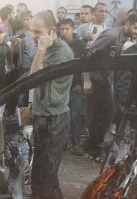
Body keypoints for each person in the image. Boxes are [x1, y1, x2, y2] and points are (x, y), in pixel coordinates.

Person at [82, 14, 137, 160]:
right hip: (95, 77)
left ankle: (91, 146)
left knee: (107, 112)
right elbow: (87, 55)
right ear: (128, 24)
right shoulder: (111, 35)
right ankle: (93, 146)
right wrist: (86, 80)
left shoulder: (127, 38)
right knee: (105, 112)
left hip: (107, 79)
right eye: (136, 28)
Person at [28, 11, 74, 199]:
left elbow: (36, 76)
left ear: (52, 32)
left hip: (54, 118)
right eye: (32, 32)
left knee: (48, 172)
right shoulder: (45, 50)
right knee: (38, 170)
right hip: (42, 115)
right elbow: (31, 75)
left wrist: (41, 49)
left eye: (38, 32)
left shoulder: (61, 52)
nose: (34, 36)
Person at [58, 18, 85, 154]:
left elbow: (84, 65)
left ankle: (76, 143)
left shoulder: (80, 45)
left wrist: (81, 83)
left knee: (75, 116)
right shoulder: (58, 44)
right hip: (61, 87)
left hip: (75, 87)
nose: (64, 32)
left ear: (73, 29)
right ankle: (63, 142)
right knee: (62, 117)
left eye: (67, 29)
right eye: (62, 29)